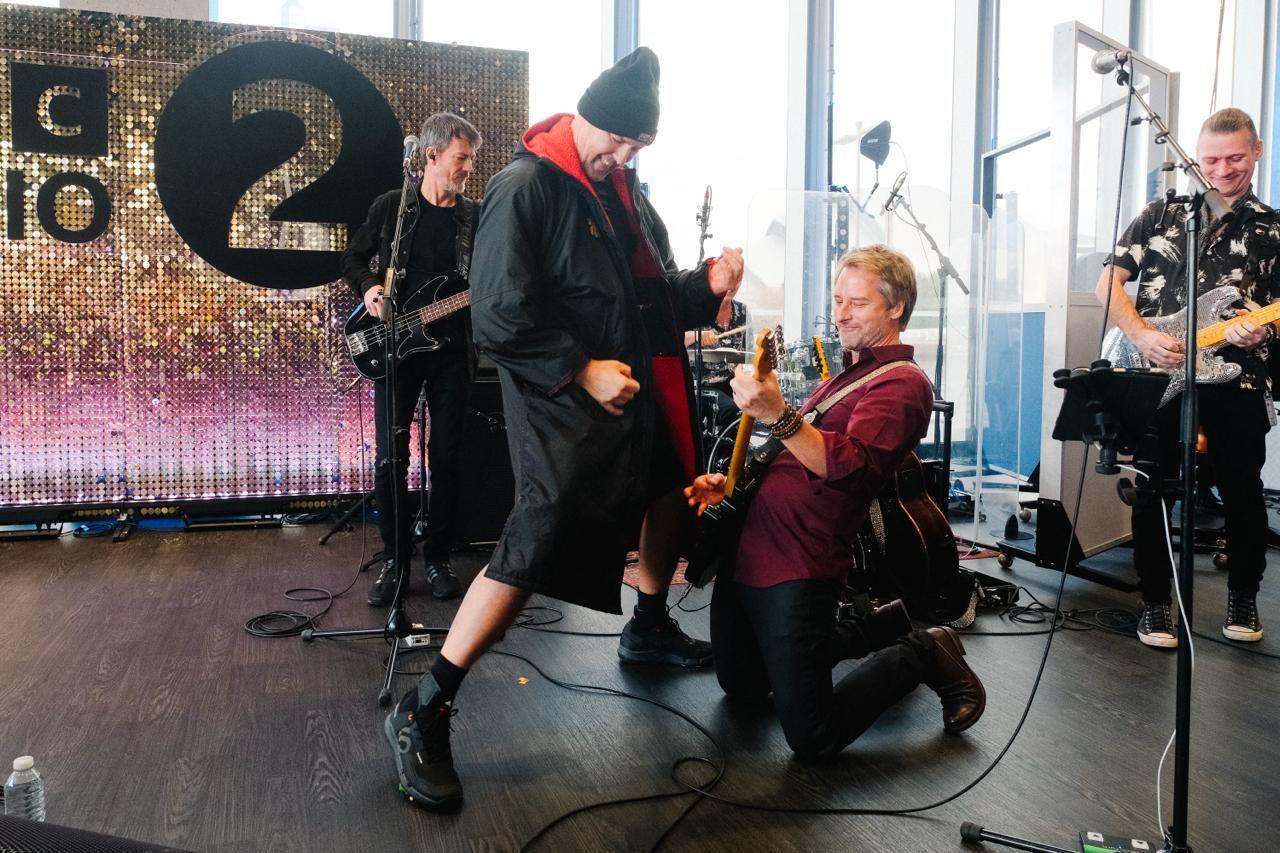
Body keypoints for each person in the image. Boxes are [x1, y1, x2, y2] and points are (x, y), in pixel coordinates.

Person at [381, 47, 744, 812]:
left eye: (639, 147)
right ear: (590, 116)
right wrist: (582, 370)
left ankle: (648, 626)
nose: (626, 157)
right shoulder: (527, 187)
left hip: (630, 400)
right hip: (560, 407)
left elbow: (649, 299)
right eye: (620, 141)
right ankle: (428, 704)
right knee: (530, 549)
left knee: (670, 488)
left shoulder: (623, 198)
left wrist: (703, 285)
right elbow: (498, 315)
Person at [684, 244, 985, 758]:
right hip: (748, 551)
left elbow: (851, 466)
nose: (841, 313)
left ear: (896, 308)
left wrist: (778, 413)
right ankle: (885, 622)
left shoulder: (903, 385)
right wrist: (732, 485)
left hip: (800, 561)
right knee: (742, 686)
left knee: (813, 736)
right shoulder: (843, 378)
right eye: (838, 300)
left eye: (858, 303)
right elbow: (791, 453)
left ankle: (923, 649)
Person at [1096, 107, 1280, 647]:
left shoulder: (1273, 229)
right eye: (1211, 160)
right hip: (1158, 373)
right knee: (1155, 486)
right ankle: (1155, 602)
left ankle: (1243, 595)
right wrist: (1141, 336)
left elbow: (1271, 314)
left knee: (1242, 489)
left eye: (1236, 159)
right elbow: (1109, 284)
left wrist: (1259, 335)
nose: (1222, 170)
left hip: (1238, 379)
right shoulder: (1161, 216)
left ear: (1258, 152)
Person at [340, 112, 483, 606]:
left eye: (471, 159)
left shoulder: (475, 217)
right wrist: (370, 287)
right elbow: (351, 258)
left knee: (446, 457)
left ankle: (439, 557)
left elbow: (491, 279)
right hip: (395, 350)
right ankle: (396, 561)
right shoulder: (390, 208)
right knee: (390, 458)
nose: (469, 167)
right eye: (462, 157)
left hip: (452, 352)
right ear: (431, 155)